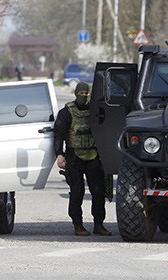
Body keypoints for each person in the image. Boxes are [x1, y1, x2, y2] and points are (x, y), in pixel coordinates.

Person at [53, 82, 111, 236]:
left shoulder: (95, 111)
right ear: (76, 93)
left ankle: (99, 224)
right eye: (81, 93)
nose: (83, 96)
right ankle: (77, 225)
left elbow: (105, 130)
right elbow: (58, 135)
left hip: (93, 156)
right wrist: (59, 154)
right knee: (77, 191)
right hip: (74, 157)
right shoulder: (66, 112)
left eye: (86, 93)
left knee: (98, 192)